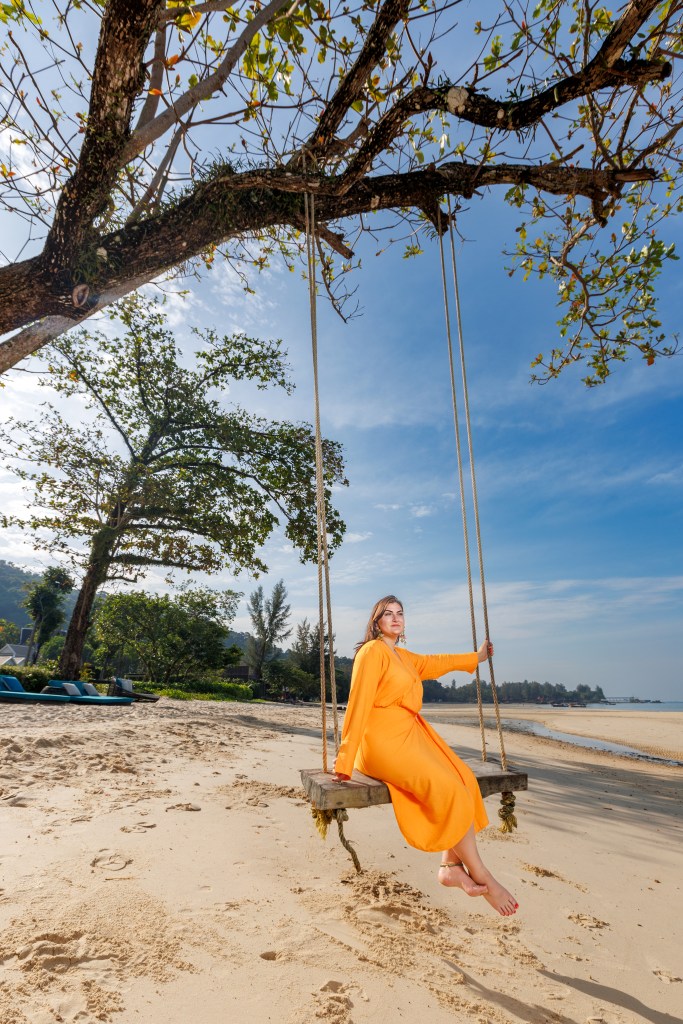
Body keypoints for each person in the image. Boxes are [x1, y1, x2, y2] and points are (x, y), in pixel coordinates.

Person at [333, 595, 518, 917]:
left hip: (409, 735)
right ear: (375, 622)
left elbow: (437, 662)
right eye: (387, 614)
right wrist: (345, 760)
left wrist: (475, 657)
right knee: (445, 786)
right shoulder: (372, 652)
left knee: (462, 779)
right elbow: (358, 702)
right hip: (379, 742)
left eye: (400, 614)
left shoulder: (403, 656)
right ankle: (482, 874)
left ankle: (450, 866)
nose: (395, 618)